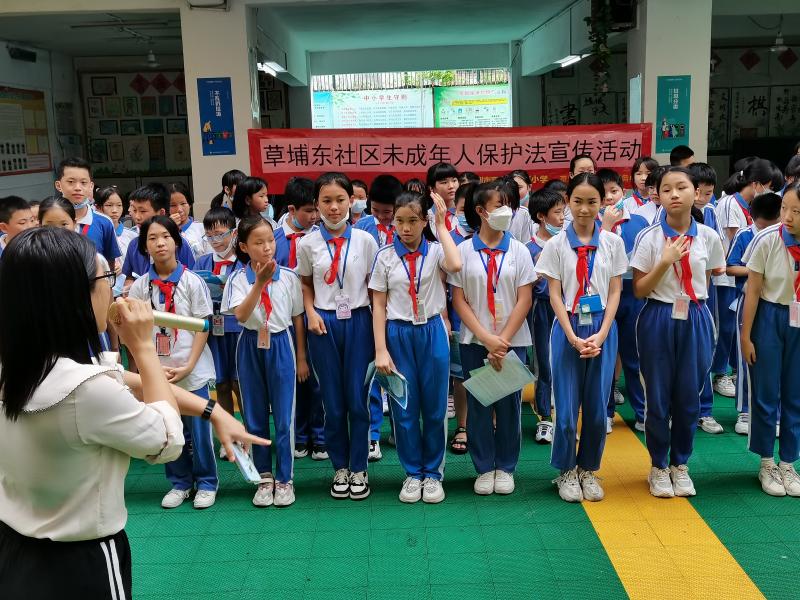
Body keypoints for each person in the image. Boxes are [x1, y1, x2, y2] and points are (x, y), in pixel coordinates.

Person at [0, 227, 265, 599]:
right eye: (105, 279)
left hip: (14, 547)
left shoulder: (21, 365)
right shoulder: (86, 391)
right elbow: (167, 440)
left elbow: (121, 379)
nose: (113, 290)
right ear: (72, 296)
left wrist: (212, 410)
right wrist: (143, 349)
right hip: (81, 560)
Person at [631, 166, 725, 499]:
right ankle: (658, 466)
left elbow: (708, 278)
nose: (674, 194)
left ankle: (680, 464)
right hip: (657, 316)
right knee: (657, 397)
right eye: (666, 189)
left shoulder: (709, 236)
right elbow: (639, 290)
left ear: (695, 193)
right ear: (657, 195)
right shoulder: (649, 237)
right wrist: (664, 260)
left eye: (681, 187)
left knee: (688, 397)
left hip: (695, 315)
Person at [537, 173, 626, 503]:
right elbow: (554, 294)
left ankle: (588, 468)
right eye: (577, 201)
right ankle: (566, 470)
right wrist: (573, 337)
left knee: (597, 409)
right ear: (567, 202)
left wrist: (602, 334)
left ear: (602, 202)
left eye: (592, 202)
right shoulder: (556, 245)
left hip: (602, 327)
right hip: (568, 327)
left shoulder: (612, 243)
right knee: (565, 408)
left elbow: (615, 291)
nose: (585, 209)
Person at [370, 191, 461, 503]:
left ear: (425, 221)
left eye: (413, 221)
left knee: (435, 408)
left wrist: (442, 224)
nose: (405, 228)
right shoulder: (384, 256)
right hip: (397, 334)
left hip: (432, 331)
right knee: (404, 408)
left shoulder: (436, 251)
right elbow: (378, 305)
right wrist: (380, 349)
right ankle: (412, 473)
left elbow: (456, 264)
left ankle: (433, 473)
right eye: (399, 221)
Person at [449, 180, 536, 496]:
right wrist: (487, 338)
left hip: (513, 341)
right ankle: (484, 467)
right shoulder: (462, 251)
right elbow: (459, 300)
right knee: (479, 405)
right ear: (481, 211)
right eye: (499, 206)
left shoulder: (519, 250)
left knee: (510, 406)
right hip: (475, 341)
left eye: (508, 205)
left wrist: (503, 340)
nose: (506, 212)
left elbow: (525, 298)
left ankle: (506, 467)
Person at [296, 172, 378, 500]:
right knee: (332, 402)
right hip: (323, 324)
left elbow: (376, 288)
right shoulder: (307, 244)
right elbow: (304, 284)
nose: (333, 207)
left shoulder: (366, 241)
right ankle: (340, 467)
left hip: (359, 321)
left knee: (357, 399)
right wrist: (311, 312)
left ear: (352, 201)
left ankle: (359, 467)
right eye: (326, 201)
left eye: (340, 200)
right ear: (316, 203)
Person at [128, 216, 218, 509]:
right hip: (159, 371)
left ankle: (206, 483)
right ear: (145, 246)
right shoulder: (140, 287)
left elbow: (203, 326)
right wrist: (150, 368)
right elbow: (134, 332)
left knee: (201, 432)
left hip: (192, 369)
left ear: (176, 242)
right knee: (168, 428)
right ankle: (180, 483)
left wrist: (189, 366)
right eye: (152, 238)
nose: (160, 243)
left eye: (165, 236)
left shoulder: (192, 282)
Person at [222, 216, 309, 507]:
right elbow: (241, 315)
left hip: (281, 343)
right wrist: (258, 284)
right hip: (249, 345)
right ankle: (264, 476)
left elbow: (297, 318)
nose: (267, 247)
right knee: (254, 415)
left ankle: (285, 478)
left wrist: (301, 357)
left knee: (284, 417)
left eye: (270, 240)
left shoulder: (289, 277)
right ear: (244, 247)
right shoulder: (237, 279)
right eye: (258, 243)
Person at [740, 181, 800, 497]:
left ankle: (788, 463)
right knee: (765, 393)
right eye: (785, 208)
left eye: (796, 211)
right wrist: (746, 336)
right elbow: (752, 290)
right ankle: (766, 462)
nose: (787, 217)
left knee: (795, 394)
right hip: (769, 316)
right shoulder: (767, 239)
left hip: (798, 320)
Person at [273, 177, 327, 461]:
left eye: (316, 209)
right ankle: (299, 435)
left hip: (315, 315)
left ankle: (320, 435)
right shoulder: (273, 240)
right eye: (309, 210)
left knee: (316, 378)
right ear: (292, 210)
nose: (315, 215)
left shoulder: (322, 239)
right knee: (292, 377)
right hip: (284, 320)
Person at [713, 159, 776, 399]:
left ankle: (730, 371)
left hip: (744, 277)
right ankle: (720, 373)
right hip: (726, 277)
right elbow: (736, 242)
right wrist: (757, 269)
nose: (769, 191)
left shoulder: (751, 206)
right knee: (727, 328)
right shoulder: (731, 203)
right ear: (757, 184)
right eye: (768, 186)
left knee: (734, 330)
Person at [355, 173, 403, 461]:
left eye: (388, 212)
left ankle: (399, 428)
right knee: (372, 374)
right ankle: (372, 434)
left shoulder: (406, 228)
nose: (383, 217)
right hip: (369, 310)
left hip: (399, 312)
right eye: (376, 211)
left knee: (398, 371)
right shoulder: (361, 228)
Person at [726, 192, 782, 436]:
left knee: (778, 362)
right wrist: (756, 270)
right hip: (748, 299)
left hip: (777, 305)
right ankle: (745, 411)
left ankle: (777, 413)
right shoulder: (745, 234)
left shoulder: (785, 236)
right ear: (752, 218)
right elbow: (730, 267)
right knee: (746, 358)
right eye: (761, 226)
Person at [597, 169, 649, 433]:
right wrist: (605, 227)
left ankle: (642, 413)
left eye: (614, 191)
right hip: (602, 294)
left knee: (634, 357)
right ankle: (604, 413)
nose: (609, 198)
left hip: (633, 294)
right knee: (603, 357)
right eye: (603, 193)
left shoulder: (639, 222)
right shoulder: (590, 223)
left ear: (624, 192)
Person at [194, 207, 242, 432]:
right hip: (213, 329)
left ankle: (249, 432)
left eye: (221, 235)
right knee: (220, 383)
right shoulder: (202, 263)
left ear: (234, 232)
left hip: (239, 329)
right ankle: (228, 432)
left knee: (239, 383)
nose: (216, 241)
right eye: (210, 236)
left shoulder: (244, 261)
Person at [526, 187, 566, 444]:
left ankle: (566, 417)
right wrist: (538, 274)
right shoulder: (528, 249)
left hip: (570, 309)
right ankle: (545, 418)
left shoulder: (569, 243)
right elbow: (525, 287)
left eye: (563, 212)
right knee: (544, 363)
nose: (563, 218)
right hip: (542, 309)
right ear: (541, 216)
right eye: (557, 213)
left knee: (567, 363)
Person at [447, 184, 475, 455]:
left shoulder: (500, 238)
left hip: (494, 319)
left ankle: (491, 423)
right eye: (461, 209)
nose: (466, 215)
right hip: (458, 317)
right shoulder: (449, 239)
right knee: (460, 376)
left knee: (492, 371)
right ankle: (463, 426)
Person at [121, 183, 196, 285]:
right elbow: (129, 276)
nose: (137, 217)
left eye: (142, 211)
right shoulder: (134, 245)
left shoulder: (179, 243)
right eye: (134, 210)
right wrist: (130, 287)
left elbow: (192, 278)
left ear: (161, 213)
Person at [53, 157, 121, 268]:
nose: (78, 188)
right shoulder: (49, 221)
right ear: (58, 185)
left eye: (83, 182)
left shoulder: (104, 222)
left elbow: (109, 264)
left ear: (91, 186)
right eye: (71, 182)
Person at [95, 185, 137, 259]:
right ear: (97, 207)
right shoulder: (91, 235)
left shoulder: (133, 236)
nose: (115, 210)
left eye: (119, 205)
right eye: (109, 205)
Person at [168, 182, 209, 257]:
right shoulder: (163, 231)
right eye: (173, 205)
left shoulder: (202, 229)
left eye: (183, 203)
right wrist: (170, 227)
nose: (179, 209)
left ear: (190, 204)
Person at [427, 162, 460, 234]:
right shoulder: (426, 217)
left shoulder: (464, 214)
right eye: (444, 182)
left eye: (454, 180)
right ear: (431, 188)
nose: (451, 186)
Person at [500, 174, 534, 242]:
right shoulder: (490, 213)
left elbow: (526, 241)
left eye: (509, 202)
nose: (506, 207)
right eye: (501, 203)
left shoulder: (523, 213)